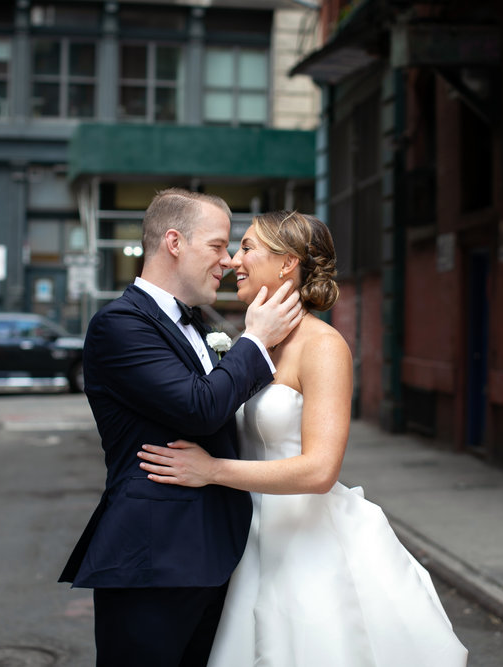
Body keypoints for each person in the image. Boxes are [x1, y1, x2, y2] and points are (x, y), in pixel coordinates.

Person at [137, 211, 469, 666]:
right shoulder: (253, 345)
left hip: (305, 544)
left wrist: (211, 471)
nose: (235, 261)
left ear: (287, 263)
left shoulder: (324, 347)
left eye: (248, 248)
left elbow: (319, 470)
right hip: (247, 538)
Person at [58, 189, 305, 667]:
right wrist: (254, 341)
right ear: (174, 242)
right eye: (217, 246)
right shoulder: (119, 325)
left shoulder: (190, 324)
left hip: (213, 555)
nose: (229, 260)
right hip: (153, 559)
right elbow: (200, 409)